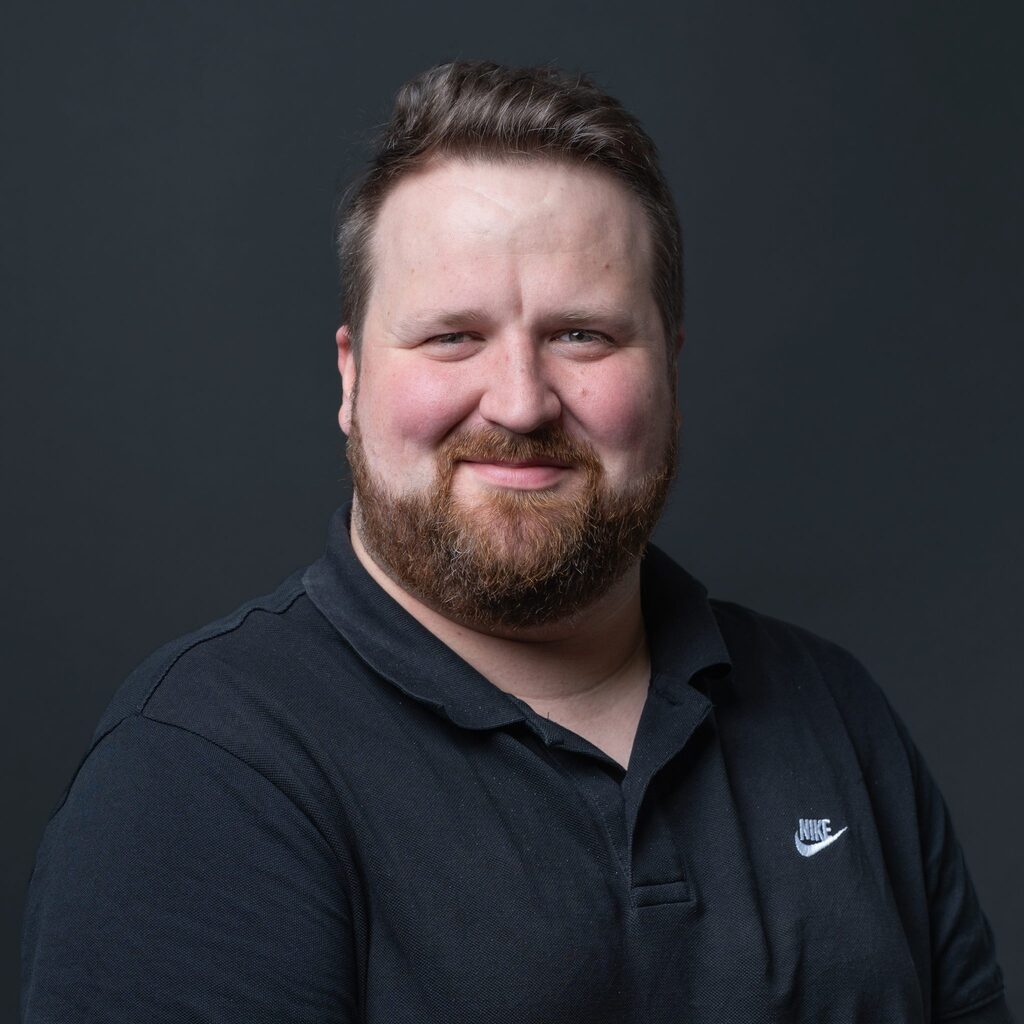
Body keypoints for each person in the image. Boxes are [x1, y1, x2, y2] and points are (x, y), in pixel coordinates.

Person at [21, 60, 1012, 1023]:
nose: (521, 402)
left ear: (669, 370)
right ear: (351, 376)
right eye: (452, 336)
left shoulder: (831, 710)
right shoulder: (200, 770)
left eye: (583, 334)